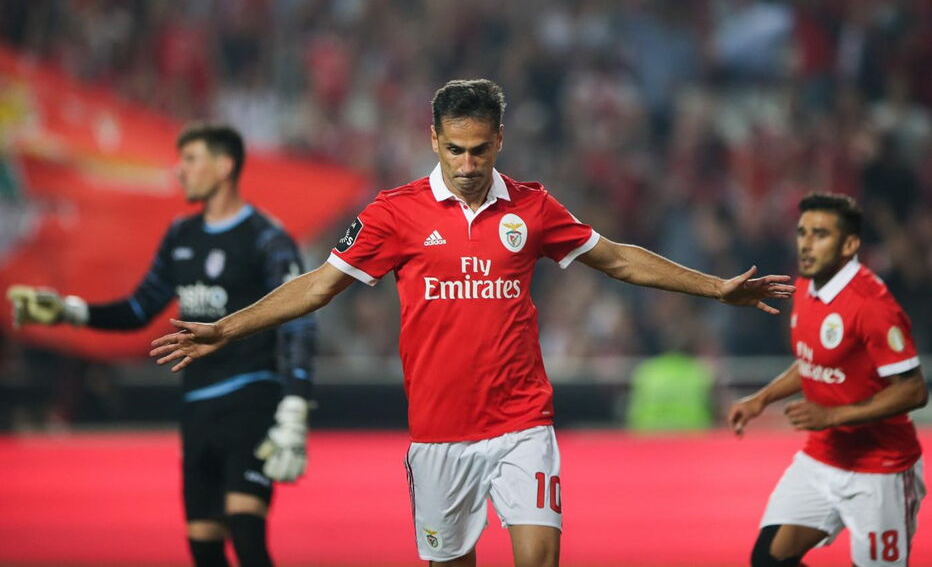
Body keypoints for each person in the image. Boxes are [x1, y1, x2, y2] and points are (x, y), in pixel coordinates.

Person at [150, 79, 793, 567]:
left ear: (499, 142)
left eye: (479, 149)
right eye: (453, 149)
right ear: (433, 140)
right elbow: (319, 286)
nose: (465, 164)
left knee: (539, 556)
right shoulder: (393, 214)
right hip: (439, 436)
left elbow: (618, 259)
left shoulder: (533, 208)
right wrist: (226, 328)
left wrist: (717, 288)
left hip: (522, 424)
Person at [7, 122, 316, 567]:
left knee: (247, 535)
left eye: (190, 160)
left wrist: (294, 407)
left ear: (225, 166)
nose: (180, 172)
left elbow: (298, 321)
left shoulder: (267, 238)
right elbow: (139, 308)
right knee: (203, 547)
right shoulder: (180, 237)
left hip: (252, 397)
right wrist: (67, 311)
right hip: (196, 405)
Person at [727, 192, 927, 567]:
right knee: (768, 560)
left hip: (881, 467)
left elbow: (914, 390)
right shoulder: (805, 287)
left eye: (820, 234)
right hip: (823, 457)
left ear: (849, 244)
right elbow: (812, 362)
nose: (806, 242)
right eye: (802, 232)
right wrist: (762, 399)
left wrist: (833, 415)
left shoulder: (873, 306)